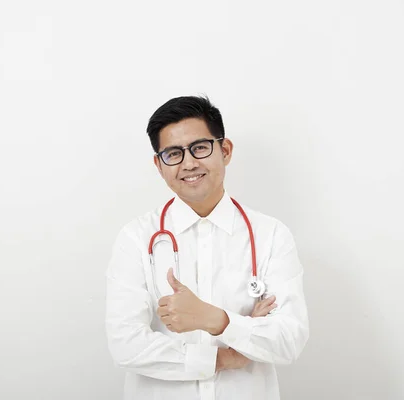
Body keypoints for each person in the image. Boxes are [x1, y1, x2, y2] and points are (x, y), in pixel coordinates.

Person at [105, 96, 309, 400]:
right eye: (173, 153)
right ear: (159, 166)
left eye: (199, 147)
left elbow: (288, 340)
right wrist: (226, 355)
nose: (188, 163)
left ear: (224, 151)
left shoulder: (271, 235)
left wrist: (215, 319)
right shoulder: (136, 238)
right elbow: (126, 344)